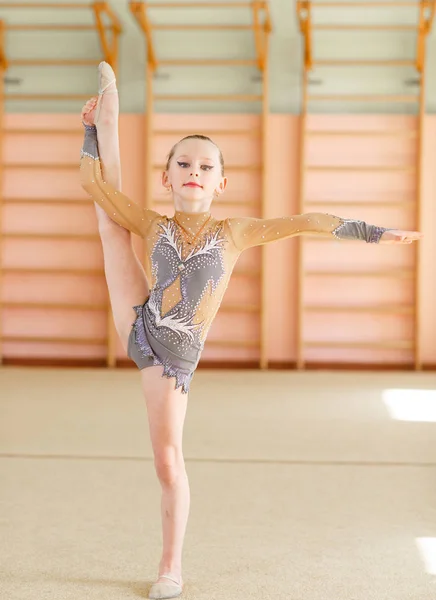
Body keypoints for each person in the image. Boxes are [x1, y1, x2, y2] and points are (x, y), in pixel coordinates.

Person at [80, 62, 423, 599]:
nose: (194, 170)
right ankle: (111, 106)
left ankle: (171, 565)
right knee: (108, 224)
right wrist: (90, 130)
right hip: (138, 317)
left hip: (172, 358)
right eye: (183, 163)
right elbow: (91, 184)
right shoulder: (153, 222)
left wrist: (374, 233)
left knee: (168, 461)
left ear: (222, 182)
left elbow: (307, 220)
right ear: (166, 176)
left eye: (206, 165)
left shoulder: (235, 232)